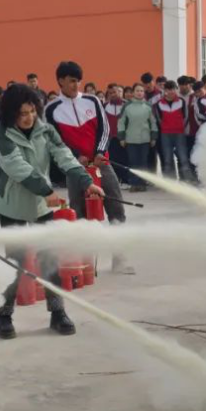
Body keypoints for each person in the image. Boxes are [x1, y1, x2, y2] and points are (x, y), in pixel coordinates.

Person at [0, 84, 104, 340]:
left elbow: (64, 155)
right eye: (22, 113)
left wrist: (88, 183)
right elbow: (16, 167)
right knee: (16, 262)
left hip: (42, 204)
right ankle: (4, 315)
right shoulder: (2, 133)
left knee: (49, 257)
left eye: (32, 111)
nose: (29, 117)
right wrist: (47, 190)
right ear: (10, 114)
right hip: (13, 206)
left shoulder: (46, 130)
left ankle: (57, 312)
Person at [46, 61, 133, 273]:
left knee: (116, 208)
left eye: (78, 81)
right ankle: (83, 263)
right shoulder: (51, 109)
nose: (76, 85)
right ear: (61, 81)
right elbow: (54, 141)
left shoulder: (93, 101)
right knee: (79, 213)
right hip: (75, 169)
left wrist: (99, 153)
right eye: (72, 81)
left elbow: (105, 130)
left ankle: (120, 259)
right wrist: (77, 157)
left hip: (102, 164)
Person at [117, 83, 157, 192]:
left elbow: (153, 122)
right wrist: (121, 138)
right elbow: (121, 122)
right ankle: (134, 183)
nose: (139, 93)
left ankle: (142, 183)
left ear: (144, 93)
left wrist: (153, 137)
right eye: (137, 91)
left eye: (141, 91)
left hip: (145, 139)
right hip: (130, 139)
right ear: (133, 92)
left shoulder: (148, 106)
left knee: (143, 162)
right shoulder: (127, 106)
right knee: (133, 162)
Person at [154, 80, 193, 181]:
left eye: (172, 89)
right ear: (164, 90)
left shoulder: (181, 101)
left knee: (183, 158)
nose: (170, 91)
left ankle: (187, 180)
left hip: (179, 133)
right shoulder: (159, 104)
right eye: (168, 89)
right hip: (165, 135)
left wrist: (179, 127)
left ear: (176, 89)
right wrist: (166, 127)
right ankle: (170, 182)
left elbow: (186, 116)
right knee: (167, 160)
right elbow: (159, 119)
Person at [104, 84, 129, 184]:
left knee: (124, 159)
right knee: (113, 159)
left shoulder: (126, 104)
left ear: (119, 92)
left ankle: (126, 180)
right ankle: (116, 180)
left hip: (123, 137)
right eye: (110, 93)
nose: (113, 95)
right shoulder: (104, 106)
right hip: (110, 137)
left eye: (114, 92)